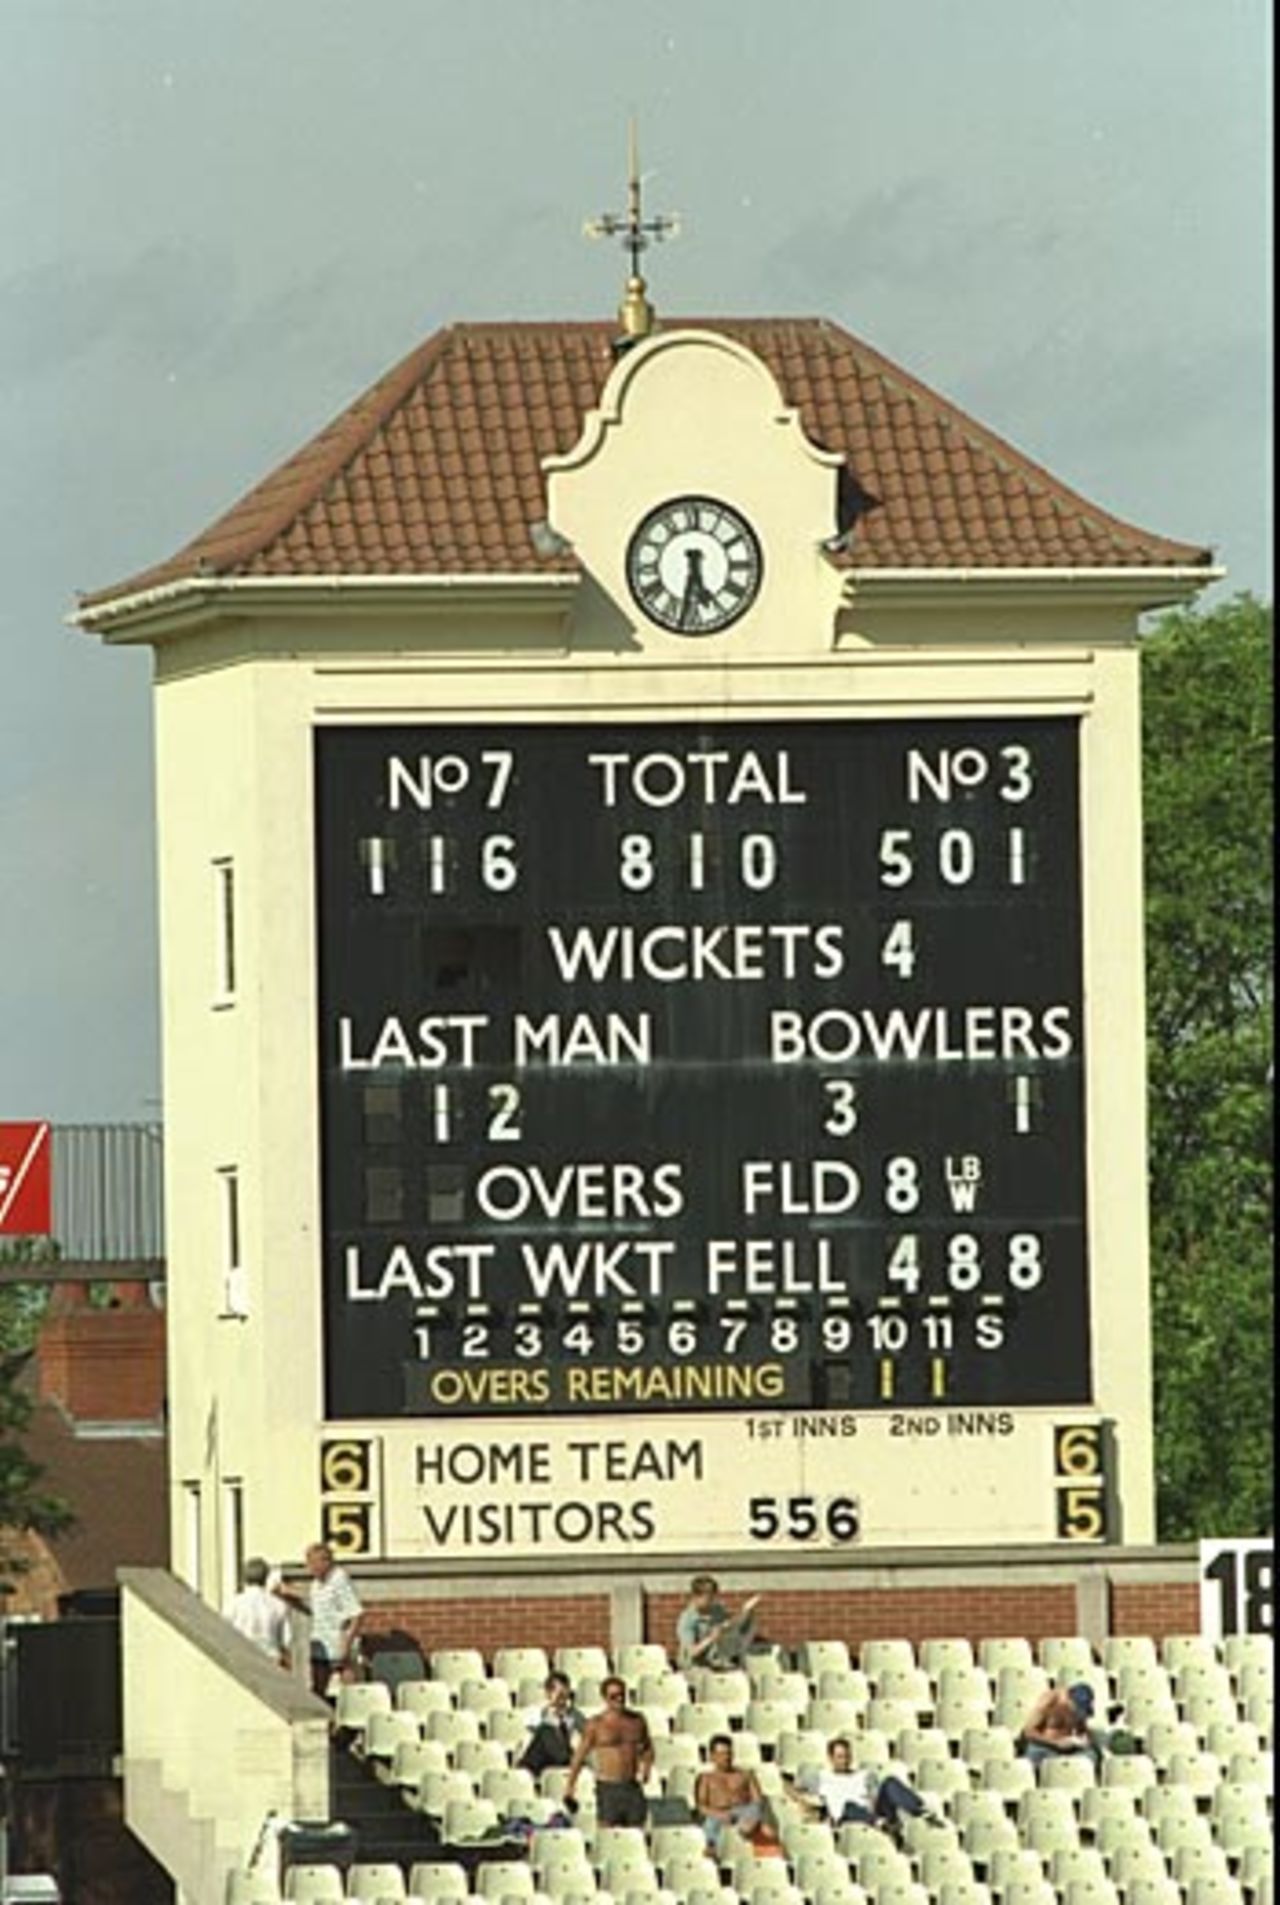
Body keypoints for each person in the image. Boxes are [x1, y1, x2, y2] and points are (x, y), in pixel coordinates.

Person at [787, 1736, 943, 1836]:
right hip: (847, 1818)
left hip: (874, 1812)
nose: (844, 1761)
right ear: (831, 1758)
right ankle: (879, 1824)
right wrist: (804, 1802)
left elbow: (875, 1796)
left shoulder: (865, 1775)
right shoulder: (821, 1777)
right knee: (848, 1805)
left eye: (847, 1756)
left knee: (889, 1781)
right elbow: (789, 1787)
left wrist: (873, 1802)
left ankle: (921, 1812)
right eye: (840, 1757)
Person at [273, 1541, 362, 1698]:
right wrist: (286, 1597)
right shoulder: (316, 1584)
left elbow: (356, 1614)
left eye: (314, 1563)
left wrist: (347, 1646)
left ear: (326, 1561)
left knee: (349, 1691)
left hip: (338, 1645)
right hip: (320, 1644)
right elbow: (313, 1609)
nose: (310, 1568)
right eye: (308, 1563)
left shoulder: (339, 1579)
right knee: (318, 1690)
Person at [564, 1674, 653, 1827]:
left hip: (631, 1785)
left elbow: (647, 1747)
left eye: (621, 1695)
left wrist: (647, 1768)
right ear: (605, 1698)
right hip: (608, 1787)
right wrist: (570, 1786)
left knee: (636, 1835)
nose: (619, 1699)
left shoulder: (636, 1721)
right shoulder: (596, 1724)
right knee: (607, 1836)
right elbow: (579, 1756)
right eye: (613, 1696)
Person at [694, 1733, 775, 1853]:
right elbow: (701, 1806)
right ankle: (712, 1849)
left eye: (729, 1753)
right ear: (712, 1756)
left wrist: (753, 1818)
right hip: (718, 1814)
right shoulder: (706, 1778)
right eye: (722, 1754)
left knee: (762, 1822)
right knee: (710, 1822)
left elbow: (758, 1800)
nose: (726, 1757)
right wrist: (719, 1814)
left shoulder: (746, 1774)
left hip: (744, 1812)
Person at [676, 1573, 761, 1671]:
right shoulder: (687, 1619)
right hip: (693, 1667)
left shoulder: (717, 1609)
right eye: (708, 1598)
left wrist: (745, 1611)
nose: (712, 1601)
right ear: (696, 1596)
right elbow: (691, 1652)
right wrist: (711, 1638)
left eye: (713, 1597)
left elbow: (729, 1625)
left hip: (716, 1661)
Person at [519, 1670, 587, 1775]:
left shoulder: (575, 1716)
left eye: (566, 1696)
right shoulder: (535, 1714)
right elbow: (528, 1744)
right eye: (559, 1696)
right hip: (539, 1764)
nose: (563, 1701)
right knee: (546, 1731)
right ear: (548, 1694)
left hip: (565, 1764)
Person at [1018, 1681, 1103, 1766]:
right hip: (1046, 1746)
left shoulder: (1082, 1710)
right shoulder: (1049, 1702)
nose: (1077, 1711)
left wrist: (1082, 1740)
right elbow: (1028, 1732)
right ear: (1069, 1699)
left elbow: (1083, 1730)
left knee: (1092, 1755)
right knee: (1033, 1754)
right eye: (1076, 1707)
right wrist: (1056, 1743)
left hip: (1070, 1749)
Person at [226, 1556, 290, 1666]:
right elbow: (286, 1639)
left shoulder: (234, 1603)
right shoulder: (279, 1604)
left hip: (241, 1657)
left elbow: (225, 1631)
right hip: (270, 1658)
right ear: (266, 1577)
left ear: (244, 1577)